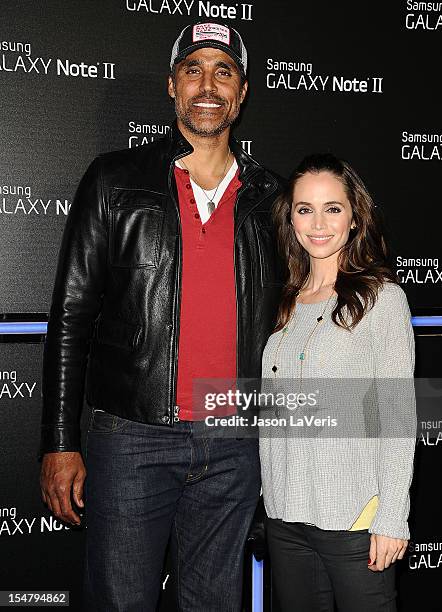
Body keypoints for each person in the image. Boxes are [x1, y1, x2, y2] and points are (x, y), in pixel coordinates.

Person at [39, 21, 285, 612]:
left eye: (223, 71)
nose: (208, 85)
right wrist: (59, 441)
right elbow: (71, 316)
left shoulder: (271, 198)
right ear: (171, 86)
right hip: (131, 439)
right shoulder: (113, 180)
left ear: (243, 91)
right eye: (193, 69)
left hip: (234, 445)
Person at [259, 153, 416, 612]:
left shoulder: (382, 299)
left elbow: (397, 414)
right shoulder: (284, 300)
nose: (318, 223)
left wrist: (391, 515)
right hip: (286, 521)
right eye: (305, 209)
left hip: (355, 521)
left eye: (333, 208)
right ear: (291, 219)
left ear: (354, 217)